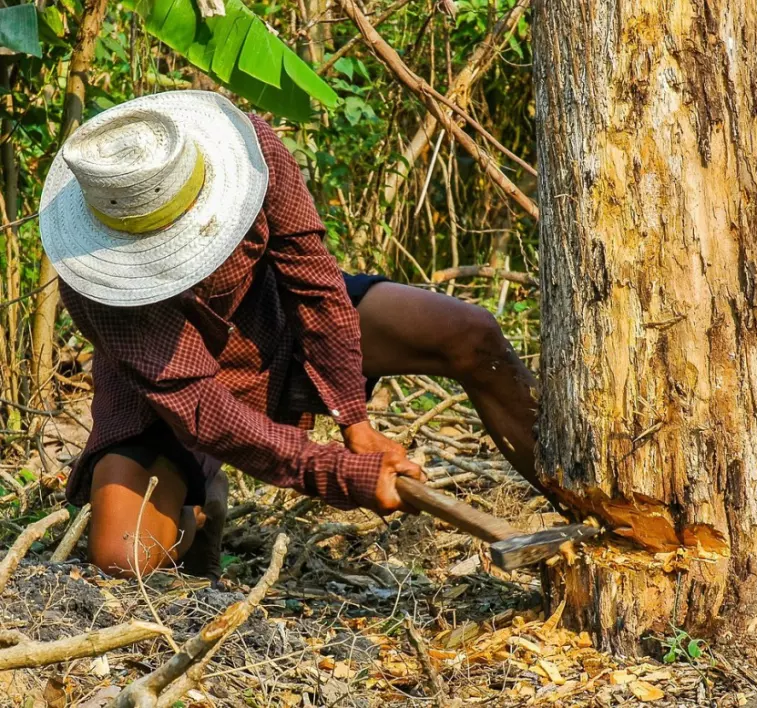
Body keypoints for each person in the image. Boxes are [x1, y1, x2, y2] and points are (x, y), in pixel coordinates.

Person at [39, 90, 543, 579]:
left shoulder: (252, 153)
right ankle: (199, 502)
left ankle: (587, 503)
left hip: (277, 323)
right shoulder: (94, 289)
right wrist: (340, 474)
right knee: (120, 557)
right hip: (169, 396)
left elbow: (318, 286)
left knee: (471, 334)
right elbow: (199, 408)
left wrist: (355, 422)